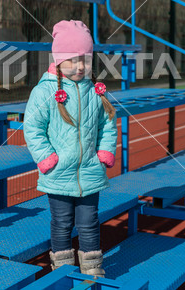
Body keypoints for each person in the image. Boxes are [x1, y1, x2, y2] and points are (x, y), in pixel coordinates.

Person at [23, 19, 118, 277]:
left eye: (85, 60)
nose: (80, 66)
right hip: (58, 172)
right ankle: (63, 270)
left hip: (89, 171)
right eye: (73, 60)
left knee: (89, 223)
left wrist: (104, 152)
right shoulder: (44, 92)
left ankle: (92, 271)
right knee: (62, 223)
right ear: (59, 59)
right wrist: (47, 158)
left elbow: (107, 124)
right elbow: (32, 128)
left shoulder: (95, 92)